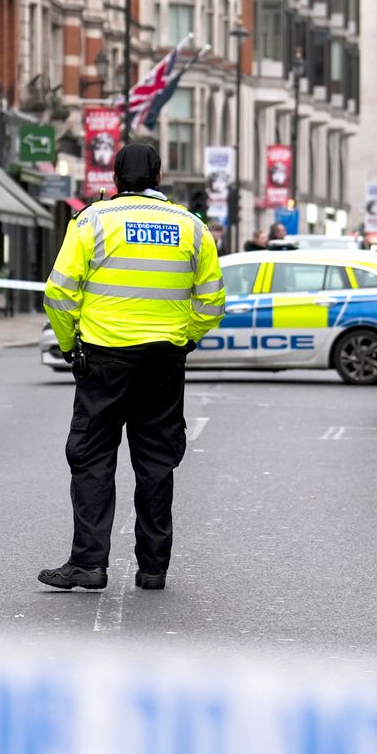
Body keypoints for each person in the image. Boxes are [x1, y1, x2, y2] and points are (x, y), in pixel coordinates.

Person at [41, 143, 225, 593]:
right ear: (159, 175)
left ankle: (89, 563)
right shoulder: (193, 227)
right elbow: (213, 300)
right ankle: (153, 568)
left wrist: (70, 346)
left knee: (92, 459)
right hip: (163, 362)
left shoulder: (91, 221)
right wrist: (185, 339)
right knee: (157, 463)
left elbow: (59, 294)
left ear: (115, 175)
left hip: (104, 359)